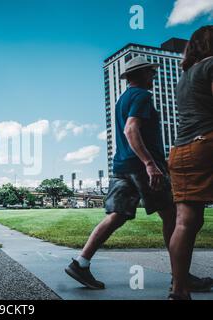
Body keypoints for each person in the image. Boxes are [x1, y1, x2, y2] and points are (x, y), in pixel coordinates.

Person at [64, 56, 211, 294]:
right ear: (142, 74)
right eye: (151, 73)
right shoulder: (142, 96)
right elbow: (131, 129)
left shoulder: (122, 100)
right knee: (172, 216)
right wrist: (150, 164)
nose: (153, 76)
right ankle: (181, 278)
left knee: (116, 215)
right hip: (142, 168)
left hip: (121, 166)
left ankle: (80, 263)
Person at [168, 25, 213, 300]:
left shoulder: (184, 77)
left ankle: (179, 289)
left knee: (185, 222)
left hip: (181, 149)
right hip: (207, 142)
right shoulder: (211, 65)